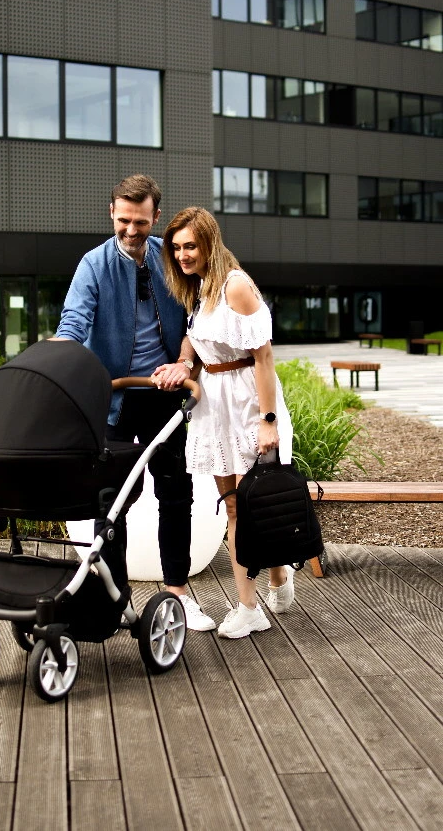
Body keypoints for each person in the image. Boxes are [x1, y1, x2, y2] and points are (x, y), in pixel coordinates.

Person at [54, 175, 215, 631]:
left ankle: (178, 594)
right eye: (123, 220)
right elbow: (74, 320)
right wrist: (60, 356)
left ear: (155, 217)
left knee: (175, 493)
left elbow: (197, 315)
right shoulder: (93, 265)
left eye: (140, 222)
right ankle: (115, 598)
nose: (130, 229)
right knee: (111, 500)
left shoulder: (171, 256)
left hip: (164, 395)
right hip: (115, 398)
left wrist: (184, 363)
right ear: (111, 213)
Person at [154, 206, 295, 639]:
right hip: (213, 404)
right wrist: (183, 363)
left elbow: (264, 357)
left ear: (210, 244)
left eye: (190, 246)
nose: (182, 255)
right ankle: (261, 594)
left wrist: (268, 420)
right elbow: (196, 339)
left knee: (257, 504)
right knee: (233, 506)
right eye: (176, 248)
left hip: (248, 401)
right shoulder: (198, 288)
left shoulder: (236, 286)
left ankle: (262, 593)